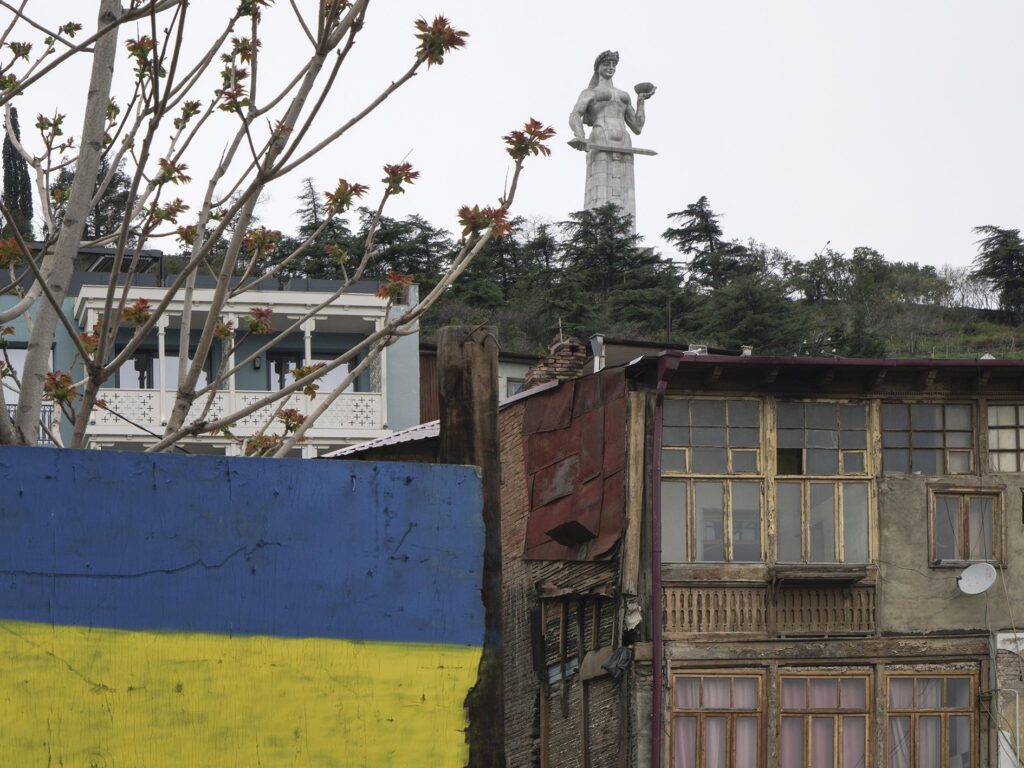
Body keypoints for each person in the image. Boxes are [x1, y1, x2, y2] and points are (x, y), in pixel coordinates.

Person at [569, 50, 655, 228]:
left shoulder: (624, 95)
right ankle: (598, 237)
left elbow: (637, 126)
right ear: (598, 68)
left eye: (613, 64)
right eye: (606, 64)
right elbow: (575, 115)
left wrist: (640, 101)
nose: (610, 67)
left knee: (626, 192)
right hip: (600, 137)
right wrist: (580, 136)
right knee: (599, 191)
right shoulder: (589, 93)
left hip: (624, 140)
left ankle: (625, 240)